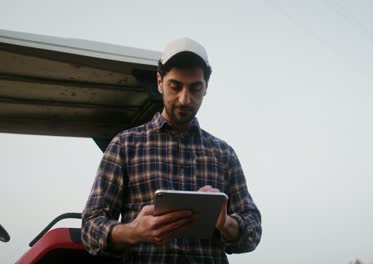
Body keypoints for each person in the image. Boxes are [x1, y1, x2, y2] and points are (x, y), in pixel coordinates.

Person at [81, 37, 262, 263]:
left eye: (195, 88)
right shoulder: (125, 145)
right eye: (175, 86)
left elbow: (253, 230)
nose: (184, 99)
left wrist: (226, 223)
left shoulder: (224, 154)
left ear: (206, 88)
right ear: (159, 82)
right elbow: (90, 228)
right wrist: (134, 231)